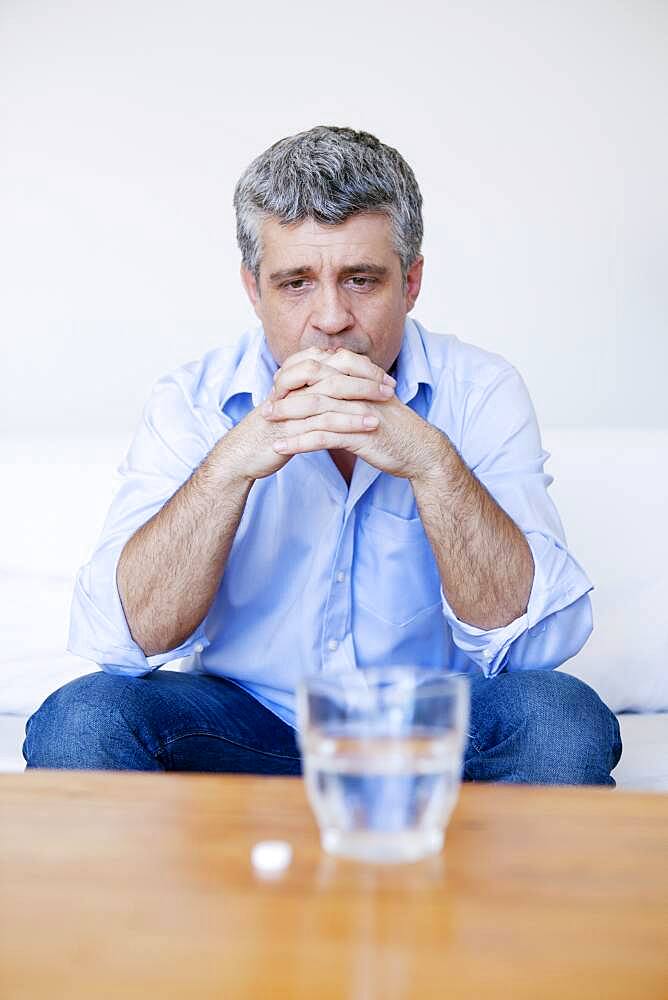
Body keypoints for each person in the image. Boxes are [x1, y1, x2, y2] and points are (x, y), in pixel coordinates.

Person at [23, 125, 621, 784]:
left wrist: (431, 462)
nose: (332, 317)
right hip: (244, 722)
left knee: (563, 716)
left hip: (425, 723)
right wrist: (234, 463)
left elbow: (536, 646)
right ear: (254, 289)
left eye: (361, 279)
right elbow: (120, 642)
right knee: (82, 718)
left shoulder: (481, 391)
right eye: (296, 283)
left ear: (412, 281)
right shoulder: (192, 401)